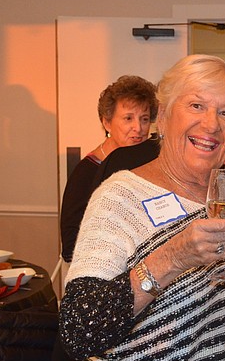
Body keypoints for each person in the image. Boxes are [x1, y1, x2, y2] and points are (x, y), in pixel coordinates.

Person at [59, 55, 225, 361]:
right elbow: (78, 329)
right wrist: (173, 257)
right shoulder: (120, 197)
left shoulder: (224, 199)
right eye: (197, 105)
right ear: (165, 116)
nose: (211, 124)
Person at [59, 75, 159, 263]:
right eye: (128, 118)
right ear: (107, 123)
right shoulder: (87, 171)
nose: (138, 128)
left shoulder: (149, 162)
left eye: (144, 119)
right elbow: (71, 246)